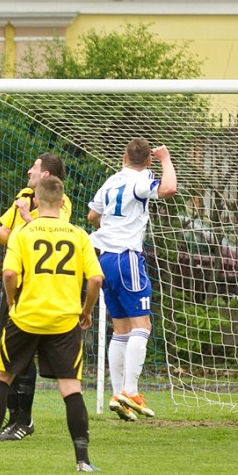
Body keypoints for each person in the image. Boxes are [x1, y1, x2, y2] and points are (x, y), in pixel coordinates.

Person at [0, 177, 104, 472]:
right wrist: (86, 310)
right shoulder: (78, 234)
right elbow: (95, 279)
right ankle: (83, 460)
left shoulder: (23, 232)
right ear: (63, 201)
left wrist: (13, 301)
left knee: (1, 377)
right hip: (64, 321)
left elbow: (8, 275)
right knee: (70, 388)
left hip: (26, 318)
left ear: (37, 202)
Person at [87, 138, 177, 421]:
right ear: (147, 161)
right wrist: (165, 158)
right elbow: (169, 188)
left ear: (123, 156)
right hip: (127, 258)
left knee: (121, 329)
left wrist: (113, 227)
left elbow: (92, 215)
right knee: (143, 325)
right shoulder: (141, 179)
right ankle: (131, 391)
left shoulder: (111, 181)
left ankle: (117, 394)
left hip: (103, 258)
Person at [0, 154, 71, 442]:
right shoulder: (23, 196)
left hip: (39, 290)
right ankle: (13, 417)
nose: (29, 170)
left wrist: (27, 217)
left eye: (34, 166)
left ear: (45, 175)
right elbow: (7, 235)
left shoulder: (61, 202)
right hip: (13, 287)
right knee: (7, 352)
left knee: (26, 353)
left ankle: (25, 418)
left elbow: (53, 233)